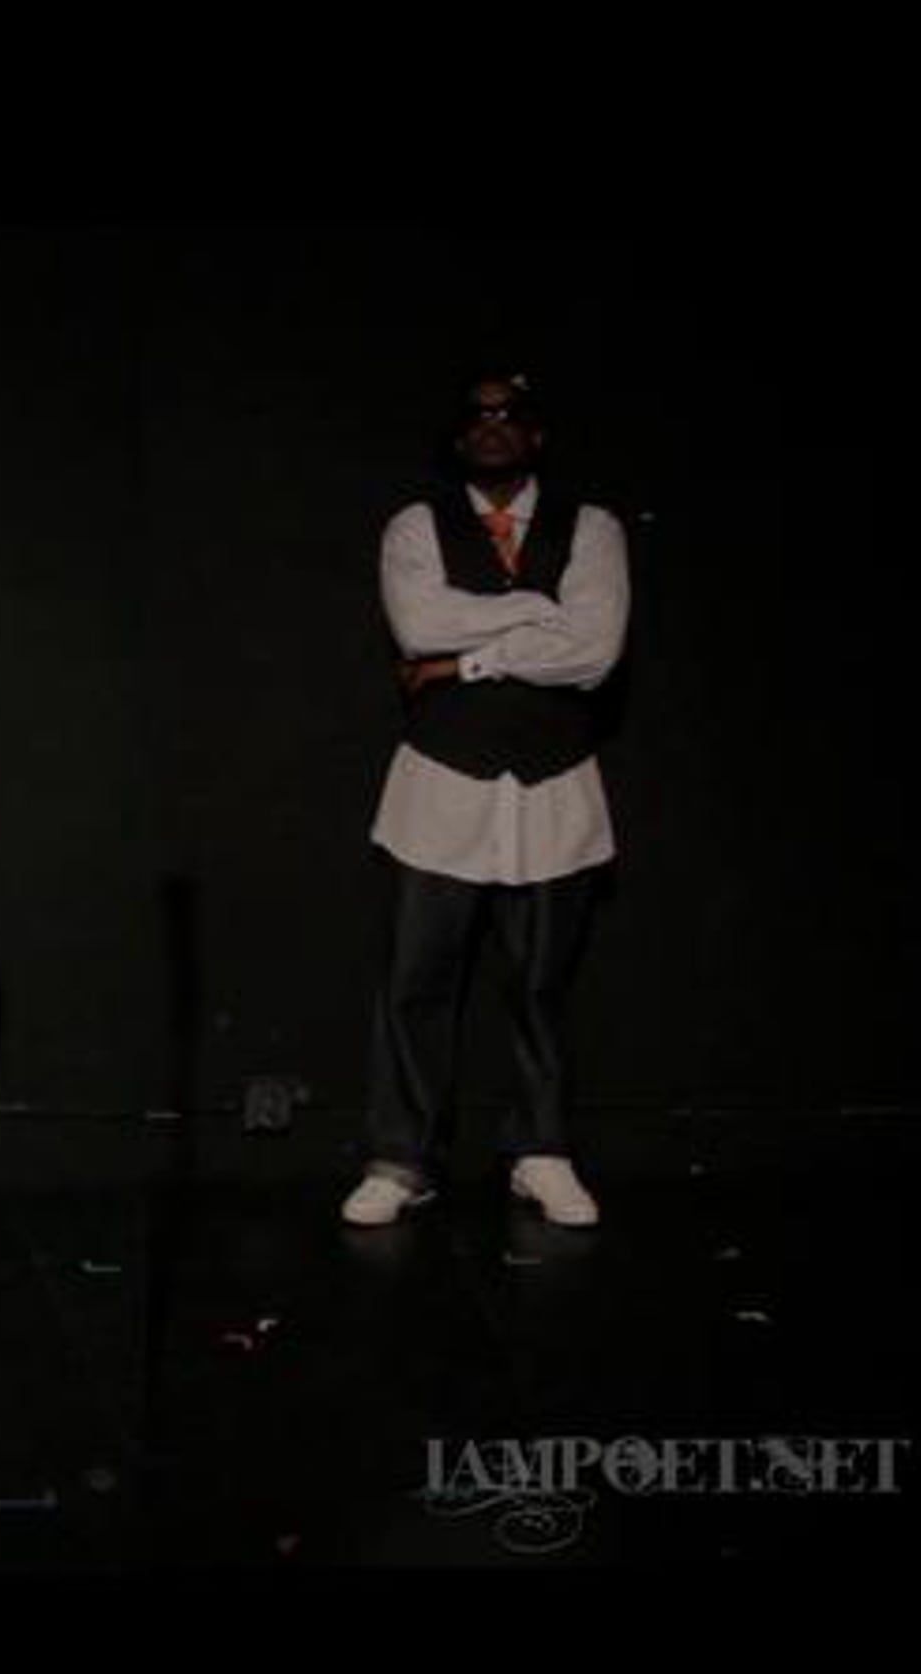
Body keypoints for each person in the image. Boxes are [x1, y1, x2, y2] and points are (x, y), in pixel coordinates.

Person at [340, 368, 628, 1229]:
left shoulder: (594, 528)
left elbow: (595, 650)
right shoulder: (415, 526)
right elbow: (418, 625)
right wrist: (537, 610)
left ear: (536, 434)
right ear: (459, 435)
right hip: (442, 787)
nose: (493, 425)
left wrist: (467, 662)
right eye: (478, 415)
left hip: (554, 787)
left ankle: (542, 1152)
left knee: (541, 984)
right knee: (415, 982)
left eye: (510, 414)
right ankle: (401, 1158)